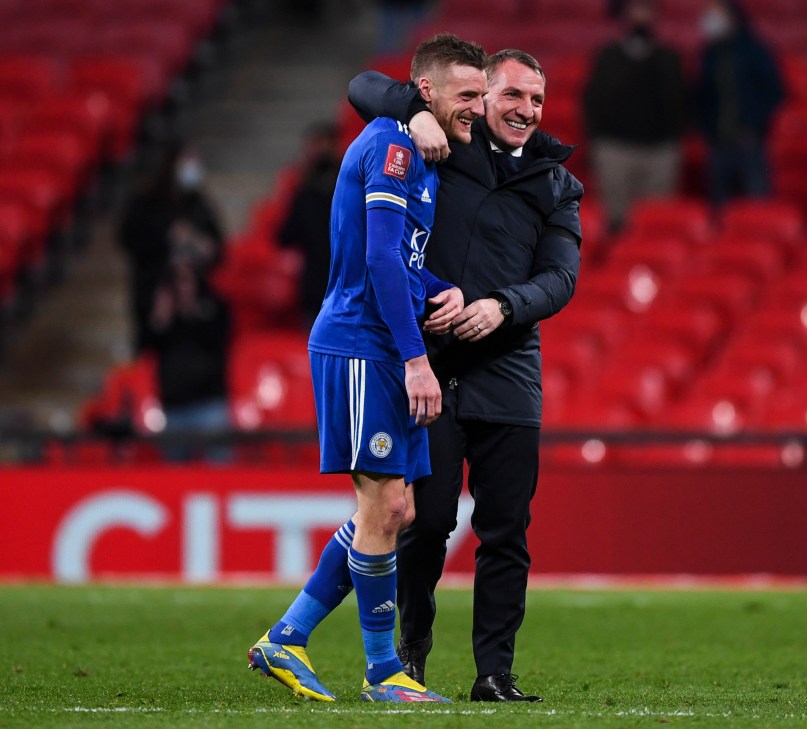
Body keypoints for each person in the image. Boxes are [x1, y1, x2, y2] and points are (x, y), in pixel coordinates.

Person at [246, 34, 488, 704]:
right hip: (362, 344)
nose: (478, 106)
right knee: (386, 505)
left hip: (379, 342)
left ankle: (287, 637)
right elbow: (379, 261)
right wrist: (417, 360)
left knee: (394, 508)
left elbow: (402, 261)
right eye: (467, 94)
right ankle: (383, 672)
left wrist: (445, 289)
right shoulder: (395, 146)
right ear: (428, 93)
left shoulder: (425, 157)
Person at [348, 48, 584, 702]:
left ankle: (494, 673)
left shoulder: (557, 183)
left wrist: (504, 306)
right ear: (483, 98)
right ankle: (410, 657)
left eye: (536, 101)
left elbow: (562, 278)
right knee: (426, 524)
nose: (524, 111)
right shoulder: (446, 138)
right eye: (512, 95)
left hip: (509, 371)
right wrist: (411, 111)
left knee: (506, 528)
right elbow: (362, 86)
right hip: (436, 366)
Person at [583, 0, 686, 234]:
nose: (640, 15)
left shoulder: (668, 57)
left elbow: (680, 101)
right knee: (617, 222)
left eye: (646, 9)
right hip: (615, 149)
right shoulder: (607, 56)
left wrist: (674, 138)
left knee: (656, 222)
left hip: (659, 150)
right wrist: (598, 141)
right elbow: (592, 101)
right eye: (635, 9)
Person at [118, 143, 225, 353]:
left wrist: (200, 244)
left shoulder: (198, 204)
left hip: (192, 300)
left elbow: (218, 247)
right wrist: (166, 237)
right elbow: (128, 239)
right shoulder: (145, 203)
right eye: (187, 161)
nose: (193, 168)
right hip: (153, 293)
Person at [146, 228, 232, 463]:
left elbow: (219, 339)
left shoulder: (213, 307)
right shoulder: (166, 315)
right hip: (174, 407)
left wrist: (192, 310)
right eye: (177, 279)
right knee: (175, 478)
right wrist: (161, 319)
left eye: (186, 278)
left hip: (209, 404)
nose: (182, 286)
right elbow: (148, 345)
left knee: (222, 471)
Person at [696, 0, 784, 209]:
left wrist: (754, 124)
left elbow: (774, 92)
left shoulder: (755, 50)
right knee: (721, 205)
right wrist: (707, 129)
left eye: (716, 15)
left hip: (750, 141)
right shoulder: (709, 53)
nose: (710, 21)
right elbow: (701, 95)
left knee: (755, 203)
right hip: (718, 142)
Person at [276, 122, 341, 328]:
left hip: (345, 284)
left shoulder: (349, 186)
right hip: (316, 289)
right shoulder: (303, 192)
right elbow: (285, 235)